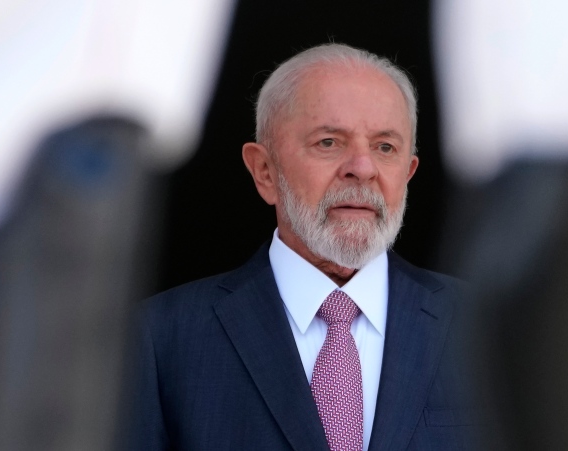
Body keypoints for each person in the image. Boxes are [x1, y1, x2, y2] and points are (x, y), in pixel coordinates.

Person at [133, 43, 481, 451]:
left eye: (385, 147)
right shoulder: (161, 337)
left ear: (408, 173)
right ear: (265, 171)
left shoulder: (484, 330)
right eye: (329, 142)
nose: (362, 168)